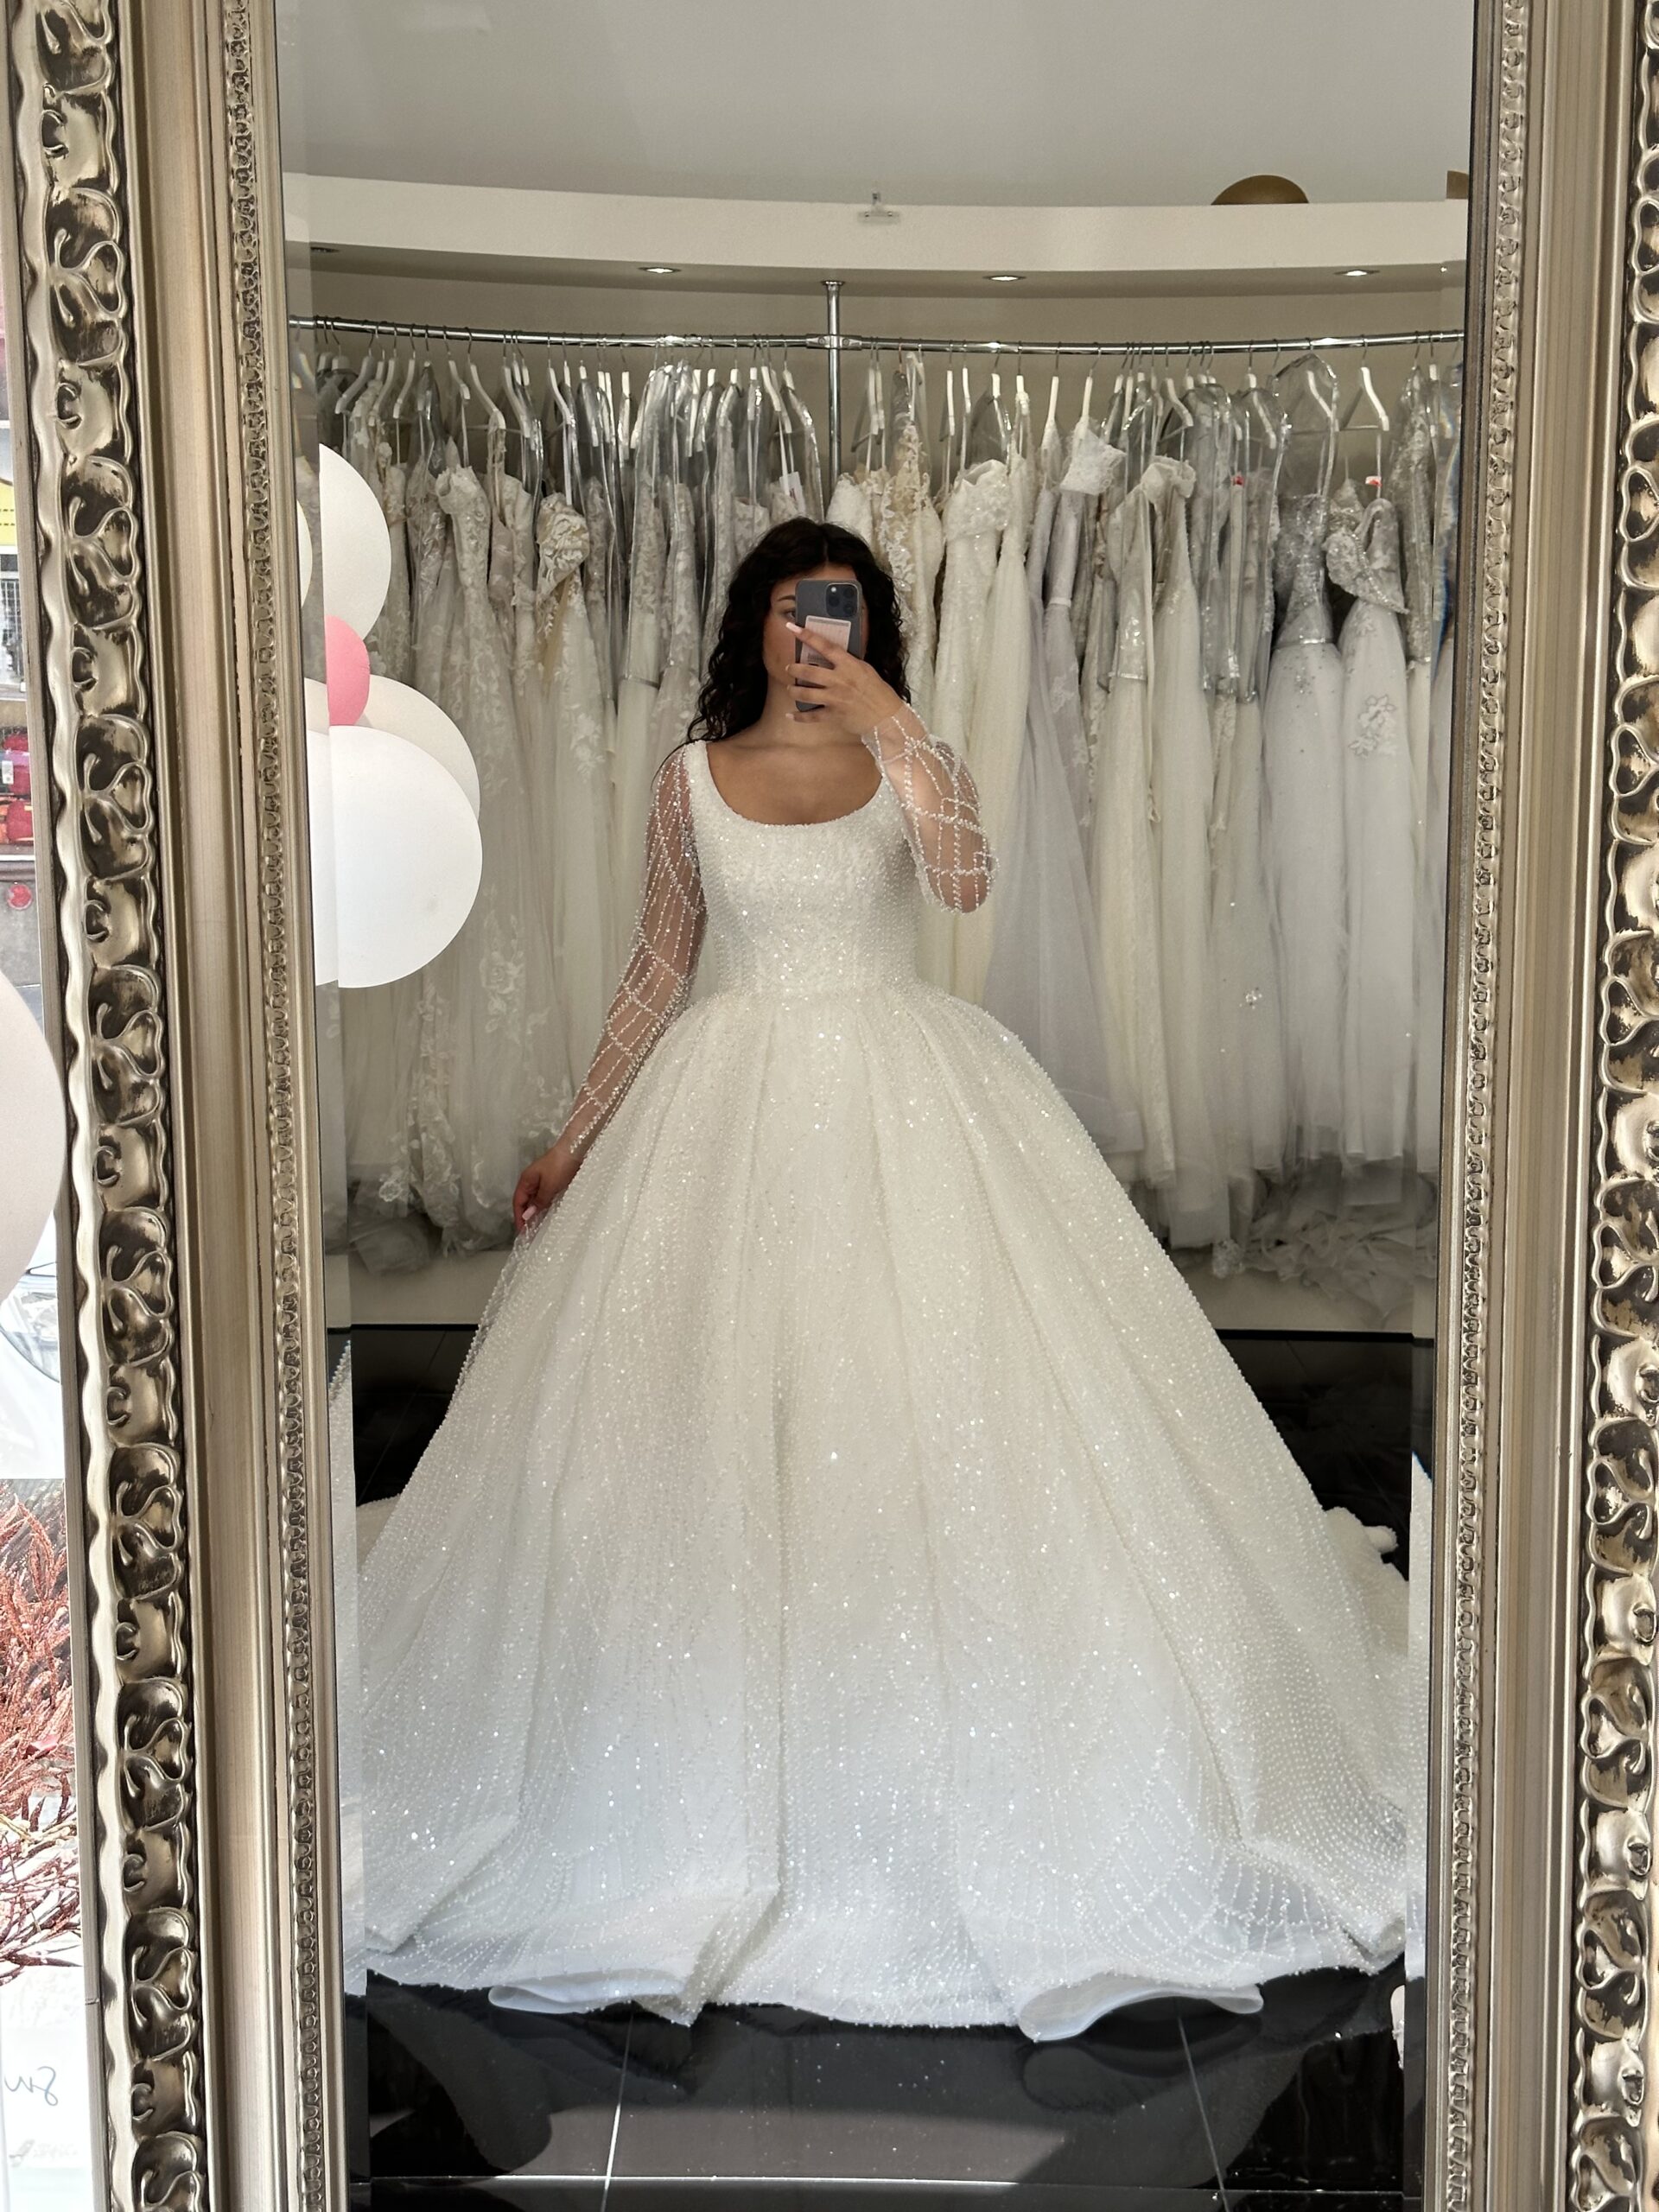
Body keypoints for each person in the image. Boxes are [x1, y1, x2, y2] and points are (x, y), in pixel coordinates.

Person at [356, 518, 1420, 2041]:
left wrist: (896, 727)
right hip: (720, 1118)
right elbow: (660, 963)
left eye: (843, 612)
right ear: (754, 621)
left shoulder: (909, 757)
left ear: (871, 628)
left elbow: (966, 883)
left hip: (908, 1097)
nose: (818, 635)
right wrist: (575, 1136)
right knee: (712, 1418)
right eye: (797, 611)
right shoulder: (688, 777)